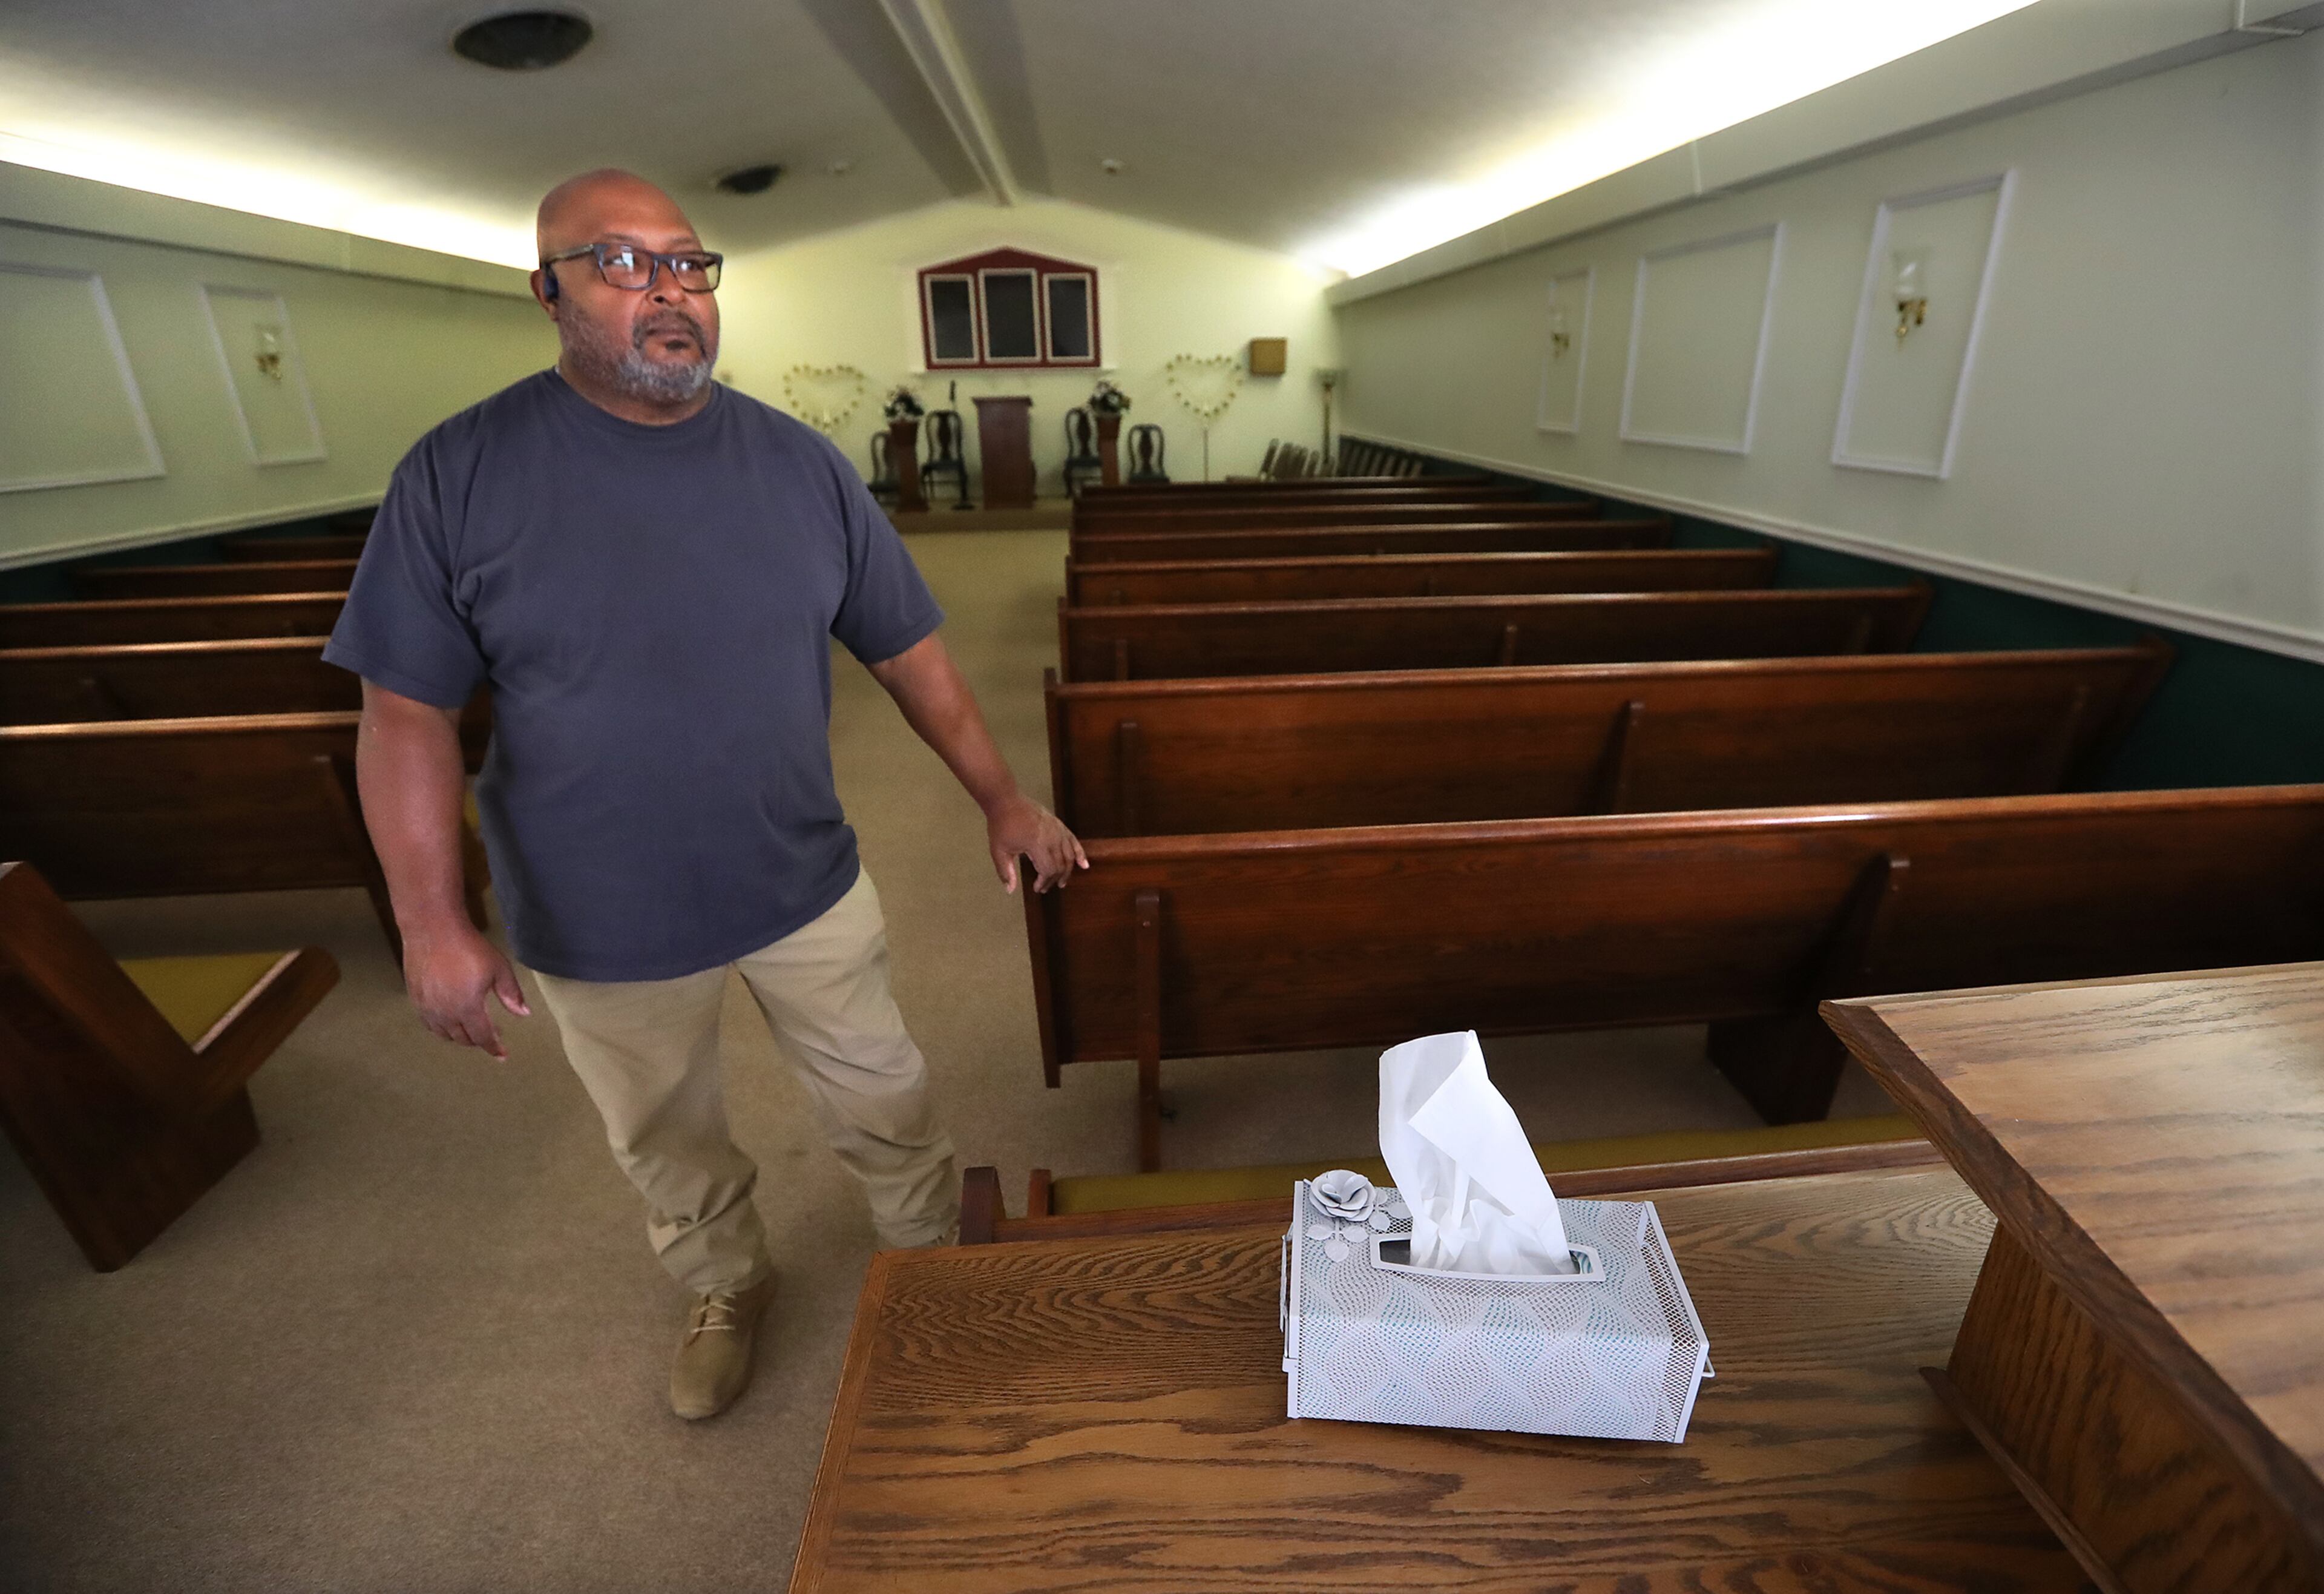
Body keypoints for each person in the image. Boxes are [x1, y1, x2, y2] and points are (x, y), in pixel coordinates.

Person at [324, 168, 1085, 1421]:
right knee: (666, 1141)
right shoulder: (459, 473)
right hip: (594, 909)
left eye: (688, 264)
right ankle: (726, 1283)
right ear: (548, 292)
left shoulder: (800, 465)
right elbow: (402, 711)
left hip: (800, 873)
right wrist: (430, 923)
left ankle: (934, 1272)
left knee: (886, 1096)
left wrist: (1003, 796)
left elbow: (911, 652)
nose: (669, 290)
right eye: (621, 264)